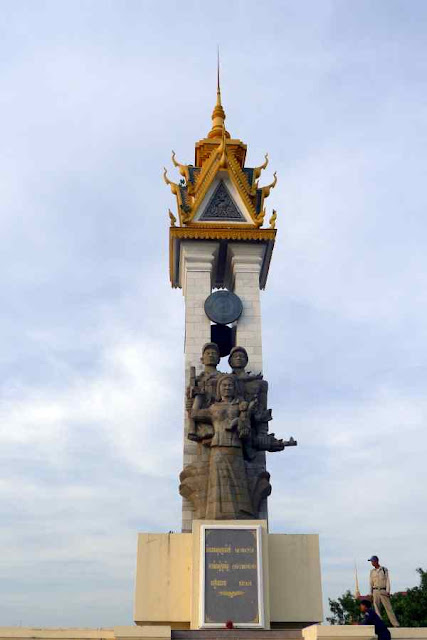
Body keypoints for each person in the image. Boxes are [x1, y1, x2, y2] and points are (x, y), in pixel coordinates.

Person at [369, 555, 400, 627]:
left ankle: (395, 624)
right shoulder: (372, 572)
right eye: (371, 562)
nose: (372, 563)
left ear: (376, 561)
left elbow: (387, 581)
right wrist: (370, 594)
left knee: (388, 608)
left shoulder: (383, 569)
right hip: (375, 590)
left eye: (372, 561)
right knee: (377, 609)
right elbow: (370, 583)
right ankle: (380, 624)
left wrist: (388, 591)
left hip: (383, 590)